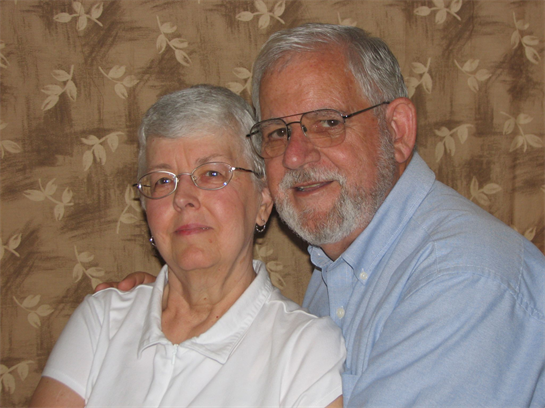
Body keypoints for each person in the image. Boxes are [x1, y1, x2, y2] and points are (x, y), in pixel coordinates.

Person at [101, 24, 545, 407]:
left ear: (397, 131)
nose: (295, 155)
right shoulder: (341, 267)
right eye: (278, 132)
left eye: (328, 122)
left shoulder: (464, 282)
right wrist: (183, 310)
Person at [29, 85, 345, 408]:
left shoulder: (304, 351)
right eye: (163, 180)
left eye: (212, 173)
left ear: (263, 202)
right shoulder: (103, 320)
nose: (182, 198)